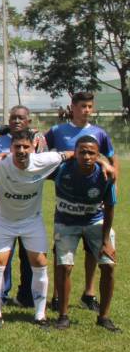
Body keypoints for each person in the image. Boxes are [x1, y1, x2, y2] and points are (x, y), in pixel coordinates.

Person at [0, 130, 73, 327]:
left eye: (25, 147)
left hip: (31, 221)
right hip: (4, 221)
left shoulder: (45, 160)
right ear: (10, 149)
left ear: (33, 147)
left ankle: (40, 315)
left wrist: (104, 163)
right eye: (17, 147)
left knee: (40, 261)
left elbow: (72, 153)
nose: (21, 150)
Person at [44, 92, 118, 313]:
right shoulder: (57, 131)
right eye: (83, 106)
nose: (87, 110)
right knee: (63, 255)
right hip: (67, 198)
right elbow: (41, 152)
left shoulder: (99, 133)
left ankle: (89, 292)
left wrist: (111, 182)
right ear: (73, 107)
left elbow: (110, 160)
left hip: (94, 199)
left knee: (92, 252)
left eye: (90, 106)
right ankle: (57, 297)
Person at [52, 136, 119, 331]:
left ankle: (104, 317)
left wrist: (106, 240)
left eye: (91, 153)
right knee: (64, 266)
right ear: (75, 153)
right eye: (82, 152)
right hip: (66, 222)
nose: (87, 156)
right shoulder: (61, 169)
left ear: (98, 155)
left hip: (95, 222)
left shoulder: (106, 176)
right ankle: (63, 316)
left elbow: (110, 208)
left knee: (108, 266)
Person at [0, 106, 43, 308]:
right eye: (13, 118)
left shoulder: (37, 141)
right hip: (1, 201)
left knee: (29, 253)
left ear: (28, 121)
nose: (16, 121)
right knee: (2, 251)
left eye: (21, 118)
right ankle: (1, 293)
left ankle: (27, 293)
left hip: (28, 204)